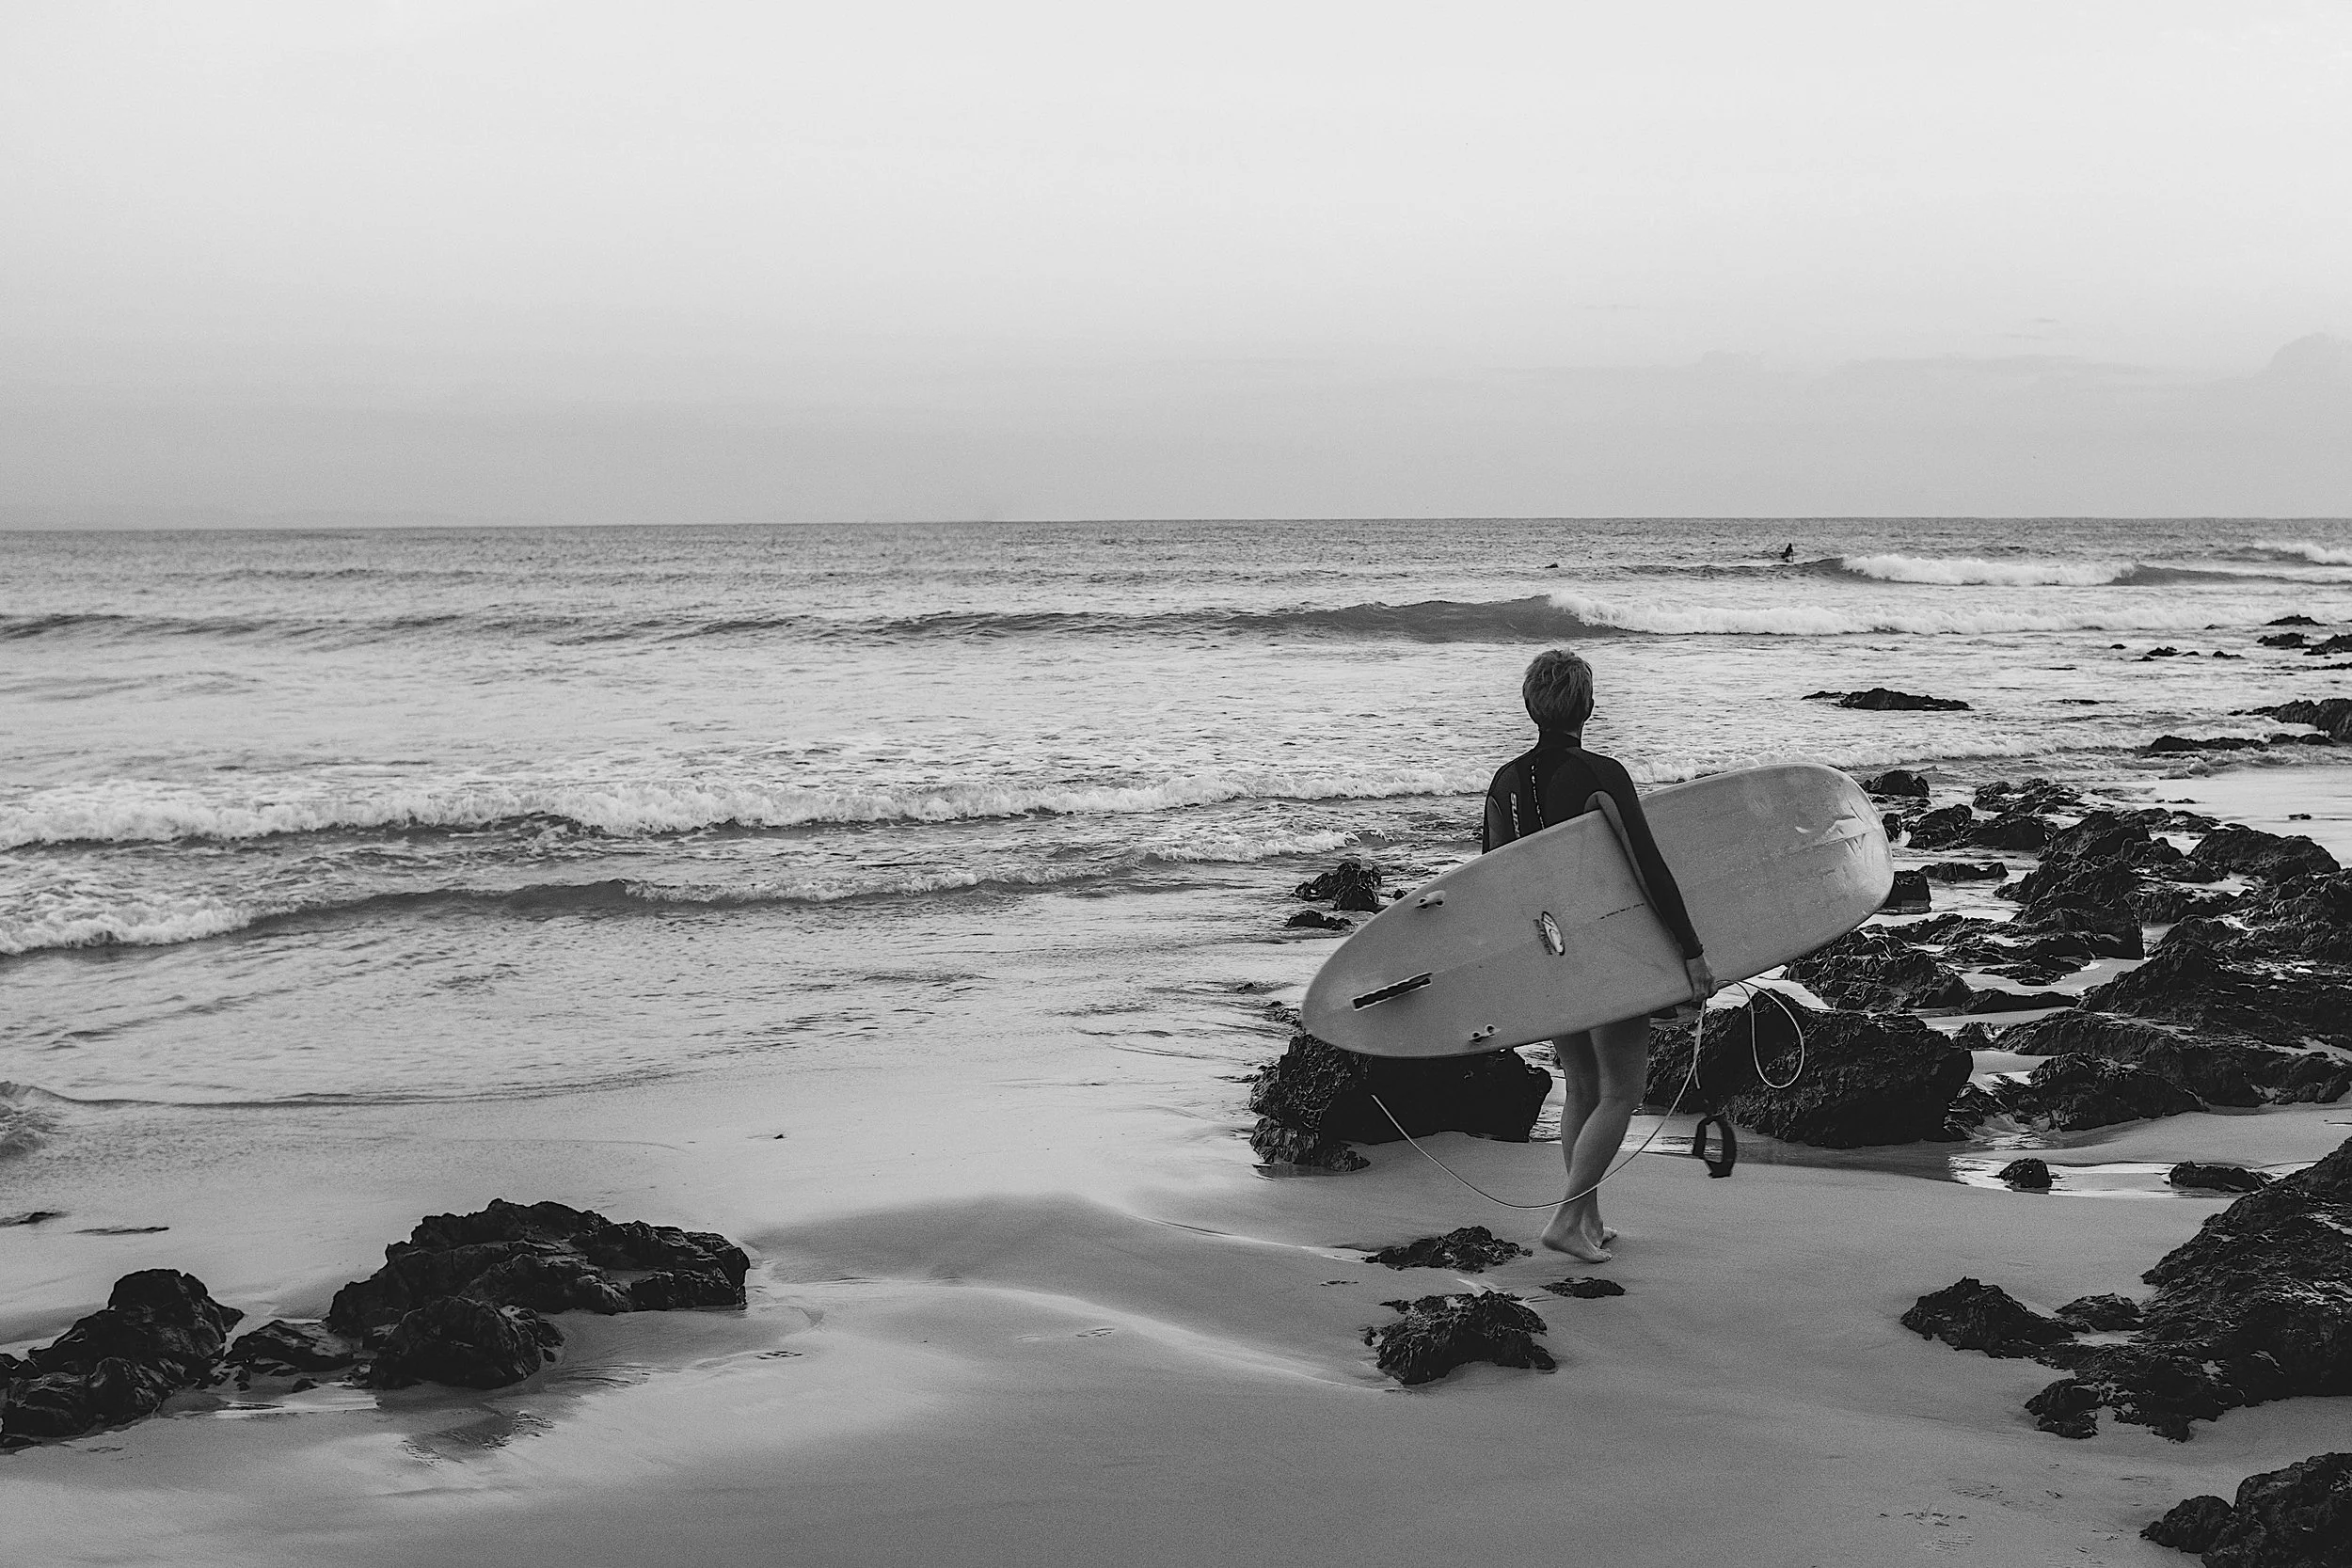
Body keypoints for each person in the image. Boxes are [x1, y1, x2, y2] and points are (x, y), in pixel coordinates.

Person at [1483, 649, 1715, 1261]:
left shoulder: (1503, 783)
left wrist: (1514, 972)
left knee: (1582, 1087)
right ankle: (1565, 1219)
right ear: (1587, 705)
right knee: (1621, 1091)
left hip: (1547, 955)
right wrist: (1690, 952)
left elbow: (1495, 888)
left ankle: (1587, 1219)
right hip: (1606, 951)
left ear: (1531, 705)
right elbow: (1648, 868)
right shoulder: (1600, 774)